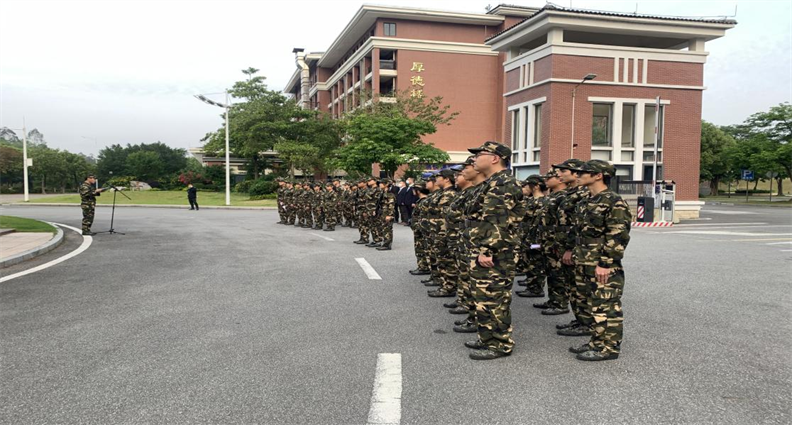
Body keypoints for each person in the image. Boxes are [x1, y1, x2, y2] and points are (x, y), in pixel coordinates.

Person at [463, 141, 524, 360]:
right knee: (483, 297)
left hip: (497, 252)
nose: (475, 158)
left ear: (495, 158)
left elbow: (497, 221)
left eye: (479, 154)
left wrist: (487, 249)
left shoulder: (503, 183)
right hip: (485, 248)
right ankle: (487, 338)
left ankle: (500, 344)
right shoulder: (492, 183)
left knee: (494, 298)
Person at [568, 159, 631, 361]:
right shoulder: (585, 201)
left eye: (583, 172)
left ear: (598, 175)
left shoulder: (614, 201)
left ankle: (609, 348)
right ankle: (597, 342)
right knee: (591, 304)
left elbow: (618, 236)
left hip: (600, 262)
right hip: (583, 260)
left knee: (606, 304)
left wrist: (606, 263)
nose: (578, 175)